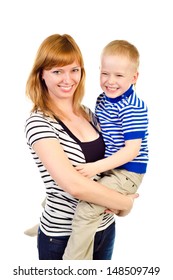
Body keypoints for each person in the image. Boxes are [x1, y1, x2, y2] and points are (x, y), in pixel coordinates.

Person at [25, 34, 138, 260]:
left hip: (104, 228)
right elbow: (74, 185)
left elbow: (115, 159)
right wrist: (125, 204)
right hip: (61, 237)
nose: (68, 79)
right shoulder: (38, 122)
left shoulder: (88, 113)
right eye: (57, 71)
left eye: (74, 70)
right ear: (41, 75)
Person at [63, 39, 149, 260]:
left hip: (126, 171)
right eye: (105, 74)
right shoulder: (103, 100)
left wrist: (96, 167)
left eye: (119, 76)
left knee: (86, 209)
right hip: (110, 165)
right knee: (65, 191)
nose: (110, 82)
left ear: (134, 78)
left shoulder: (133, 108)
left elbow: (131, 151)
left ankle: (70, 263)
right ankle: (47, 226)